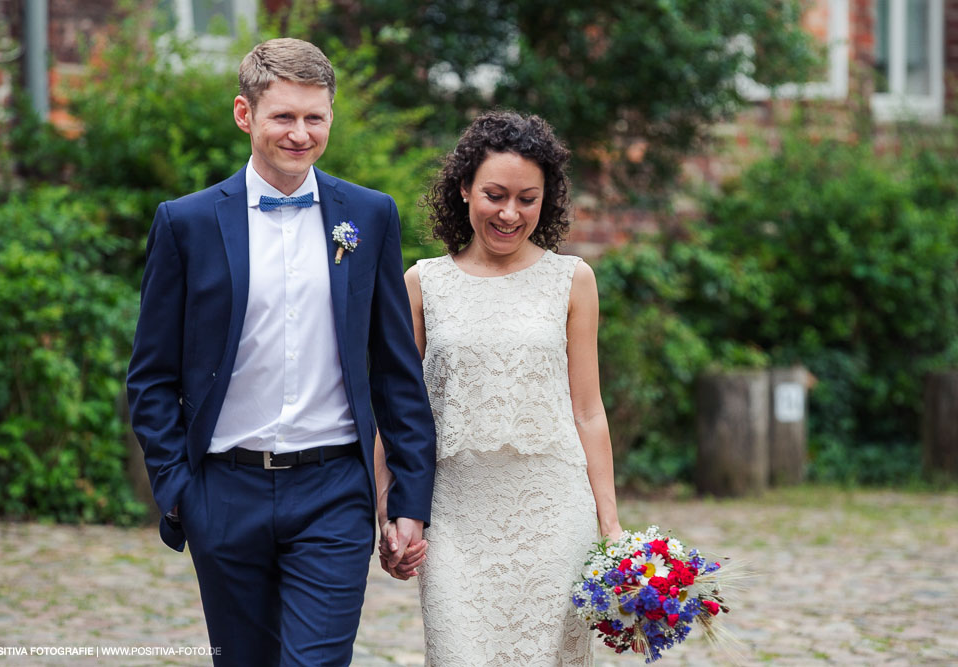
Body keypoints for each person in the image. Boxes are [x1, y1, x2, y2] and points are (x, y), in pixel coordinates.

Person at [126, 38, 436, 667]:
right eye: (283, 117)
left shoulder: (369, 216)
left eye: (314, 117)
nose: (300, 134)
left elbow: (397, 371)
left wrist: (408, 499)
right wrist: (180, 491)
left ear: (330, 117)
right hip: (223, 491)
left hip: (333, 492)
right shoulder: (185, 224)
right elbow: (151, 376)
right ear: (246, 114)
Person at [376, 111, 623, 665]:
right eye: (494, 194)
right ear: (464, 189)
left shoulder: (573, 279)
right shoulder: (422, 282)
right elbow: (395, 410)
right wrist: (387, 510)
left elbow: (587, 410)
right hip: (456, 518)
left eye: (527, 198)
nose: (510, 213)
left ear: (546, 200)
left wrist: (609, 523)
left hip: (554, 514)